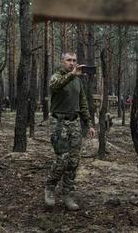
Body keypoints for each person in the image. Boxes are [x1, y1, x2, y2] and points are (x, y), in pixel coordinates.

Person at [44, 52, 95, 211]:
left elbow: (83, 104)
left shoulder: (78, 81)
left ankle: (68, 194)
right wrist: (72, 74)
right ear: (62, 62)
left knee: (73, 161)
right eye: (68, 60)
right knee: (62, 159)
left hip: (75, 123)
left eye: (74, 60)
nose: (72, 63)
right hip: (58, 122)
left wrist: (89, 124)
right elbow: (55, 86)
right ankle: (50, 188)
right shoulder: (56, 77)